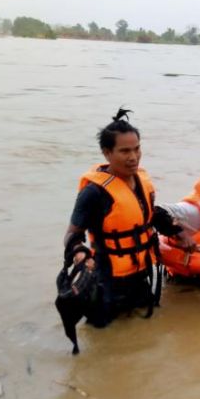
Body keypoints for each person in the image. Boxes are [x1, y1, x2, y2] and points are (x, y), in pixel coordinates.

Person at [56, 108, 170, 354]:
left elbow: (149, 214)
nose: (133, 157)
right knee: (101, 338)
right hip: (107, 279)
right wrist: (80, 254)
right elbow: (72, 235)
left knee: (144, 328)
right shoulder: (94, 193)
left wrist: (177, 231)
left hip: (139, 274)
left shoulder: (140, 181)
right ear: (107, 153)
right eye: (125, 151)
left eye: (137, 148)